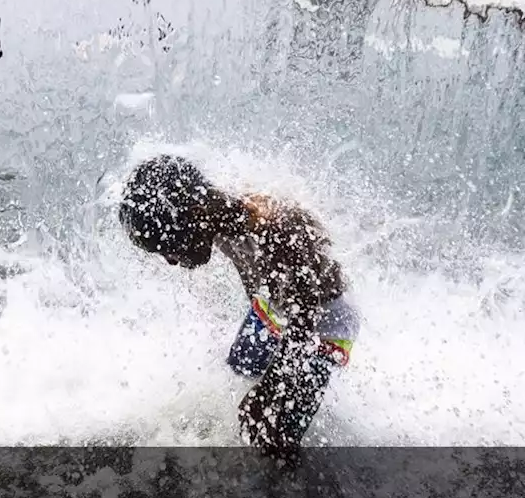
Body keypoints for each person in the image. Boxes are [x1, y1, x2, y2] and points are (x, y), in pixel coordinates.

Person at [117, 154, 360, 452]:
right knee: (237, 378)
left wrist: (268, 389)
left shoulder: (277, 228)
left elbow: (306, 317)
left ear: (194, 215)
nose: (169, 260)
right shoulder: (213, 211)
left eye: (169, 247)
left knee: (277, 438)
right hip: (272, 309)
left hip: (323, 328)